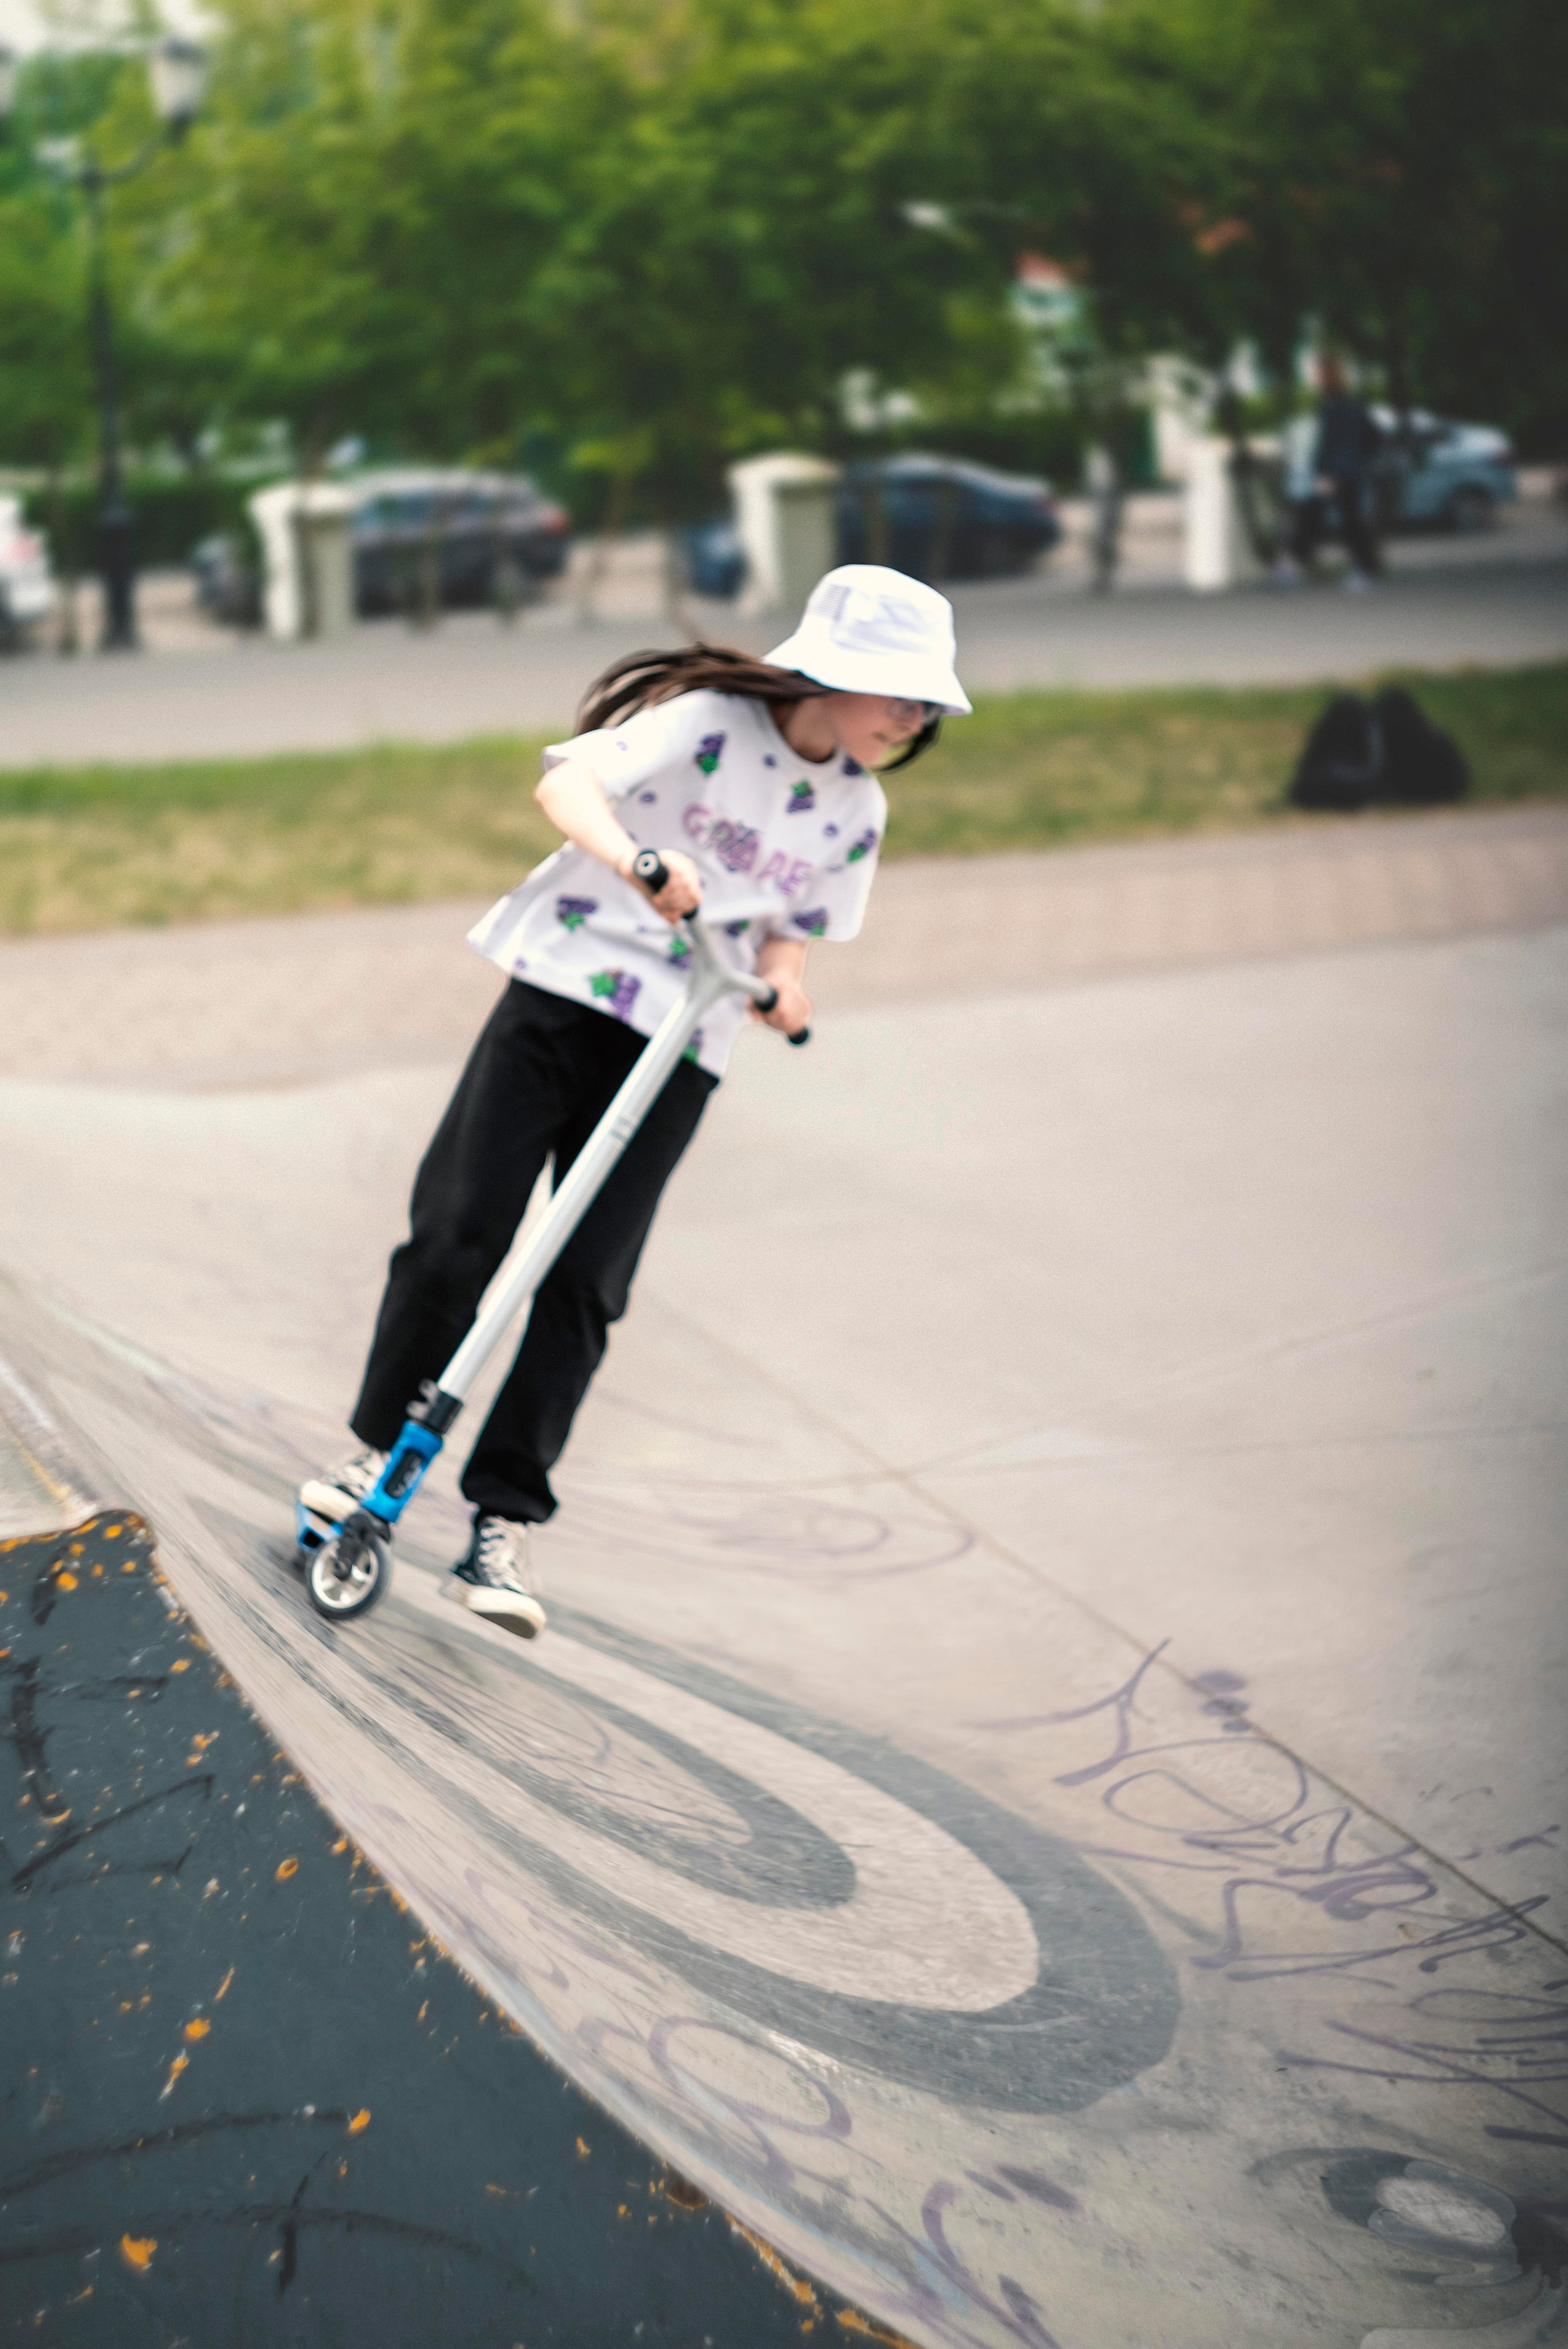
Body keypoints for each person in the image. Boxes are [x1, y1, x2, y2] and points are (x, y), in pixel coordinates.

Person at [296, 564, 971, 1636]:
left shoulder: (859, 806)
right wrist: (637, 860)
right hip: (564, 994)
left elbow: (793, 926)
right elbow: (566, 787)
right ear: (832, 671)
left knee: (585, 1286)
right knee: (461, 1232)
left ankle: (501, 1523)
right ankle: (374, 1451)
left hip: (681, 1042)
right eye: (898, 687)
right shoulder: (707, 722)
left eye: (926, 699)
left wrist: (784, 988)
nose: (912, 714)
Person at [1282, 355, 1383, 591]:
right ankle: (1362, 570)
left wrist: (1327, 472)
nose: (1316, 379)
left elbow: (1330, 444)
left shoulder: (1334, 406)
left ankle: (1295, 567)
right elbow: (1372, 438)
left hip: (1334, 475)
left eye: (1319, 375)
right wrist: (1358, 463)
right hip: (1347, 474)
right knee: (1336, 520)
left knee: (1320, 519)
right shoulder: (1351, 405)